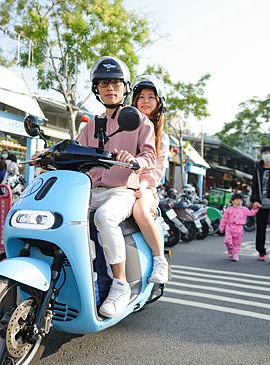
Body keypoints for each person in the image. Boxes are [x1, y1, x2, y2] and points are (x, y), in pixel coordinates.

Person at [31, 56, 156, 317]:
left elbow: (150, 157)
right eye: (103, 84)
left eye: (115, 83)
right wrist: (47, 155)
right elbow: (73, 150)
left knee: (104, 217)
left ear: (125, 87)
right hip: (88, 190)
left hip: (121, 191)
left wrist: (134, 161)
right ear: (96, 89)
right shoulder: (91, 124)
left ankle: (120, 284)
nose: (110, 88)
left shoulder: (139, 122)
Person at [129, 75, 170, 283]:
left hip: (145, 186)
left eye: (151, 97)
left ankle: (160, 259)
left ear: (159, 103)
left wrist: (142, 185)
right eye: (141, 96)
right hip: (119, 183)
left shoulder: (161, 137)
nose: (145, 101)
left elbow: (156, 171)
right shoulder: (124, 125)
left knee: (140, 210)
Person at [219, 193, 259, 262]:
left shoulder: (244, 209)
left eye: (240, 200)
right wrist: (221, 227)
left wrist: (256, 208)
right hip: (229, 227)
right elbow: (224, 219)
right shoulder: (229, 209)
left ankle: (235, 254)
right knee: (228, 241)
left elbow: (251, 213)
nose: (239, 201)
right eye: (237, 200)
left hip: (239, 228)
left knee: (237, 242)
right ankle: (230, 250)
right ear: (232, 201)